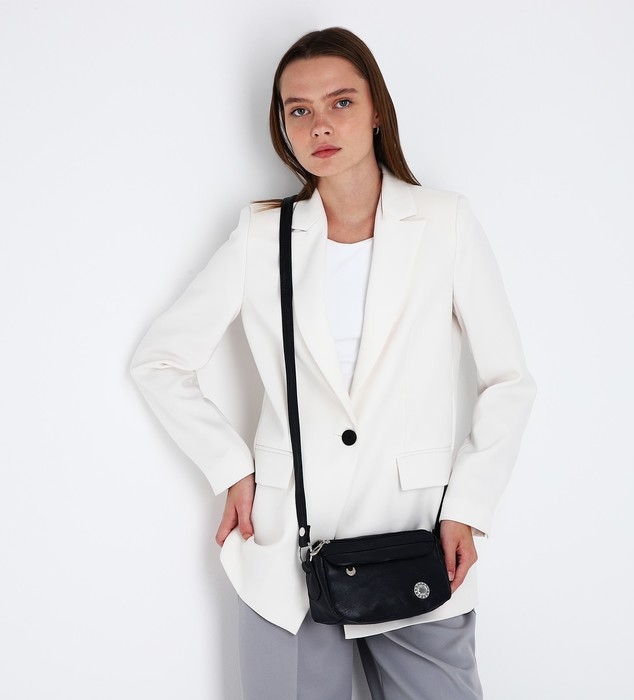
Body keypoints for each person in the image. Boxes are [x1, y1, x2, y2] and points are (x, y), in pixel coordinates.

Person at [131, 27, 536, 700]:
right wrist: (231, 468)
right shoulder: (263, 235)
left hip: (416, 541)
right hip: (289, 554)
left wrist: (468, 507)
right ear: (283, 126)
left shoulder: (445, 223)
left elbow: (508, 381)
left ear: (376, 110)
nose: (320, 124)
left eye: (341, 102)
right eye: (299, 110)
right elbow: (160, 361)